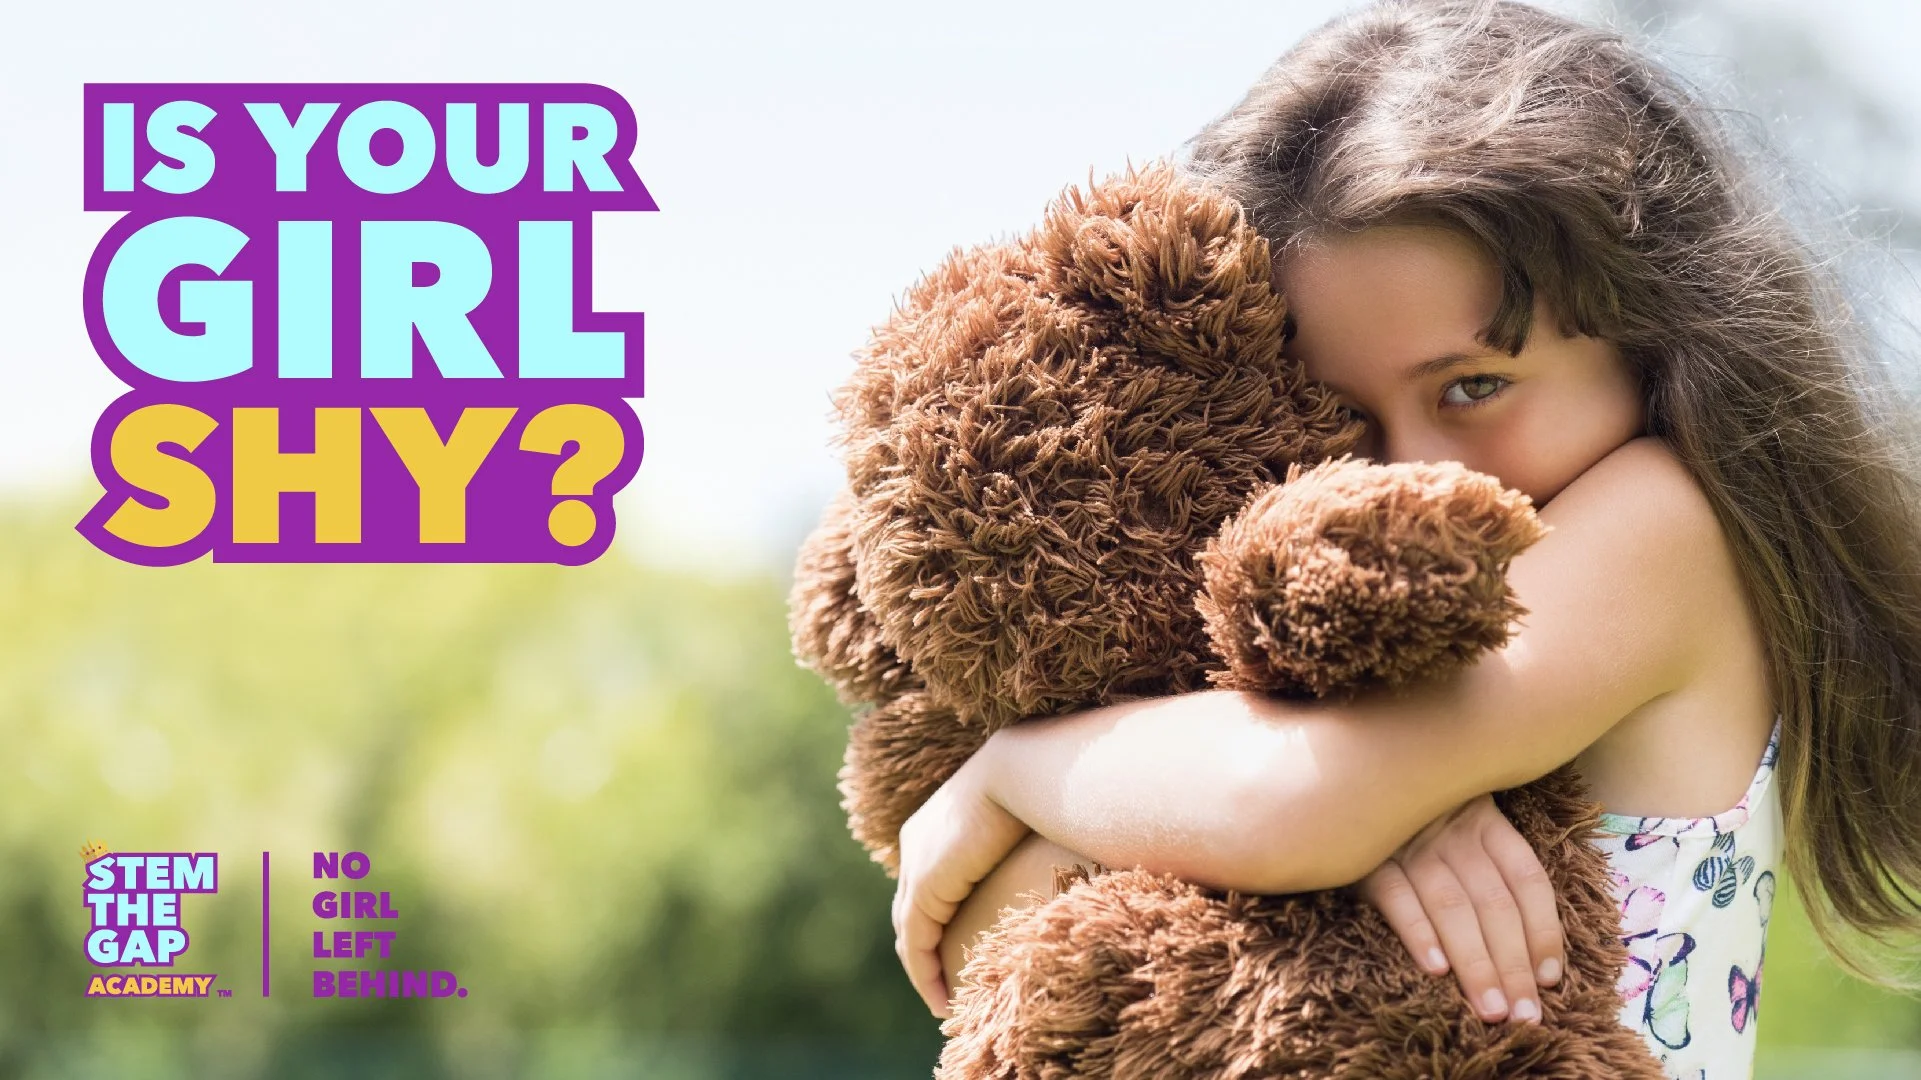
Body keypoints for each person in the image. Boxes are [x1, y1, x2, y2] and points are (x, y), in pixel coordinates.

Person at [884, 1, 1921, 1076]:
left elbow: (1283, 801)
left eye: (1474, 386)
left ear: (1653, 342)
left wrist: (1016, 768)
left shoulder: (1665, 527)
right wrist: (1363, 832)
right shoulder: (1291, 667)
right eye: (1336, 414)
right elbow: (990, 935)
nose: (1408, 471)